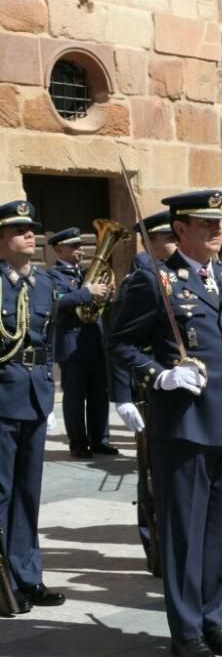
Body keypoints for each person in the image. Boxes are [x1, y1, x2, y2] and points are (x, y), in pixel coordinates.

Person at [109, 190, 222, 657]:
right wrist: (161, 375)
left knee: (221, 533)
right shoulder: (155, 281)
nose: (216, 231)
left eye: (218, 223)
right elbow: (119, 343)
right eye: (204, 224)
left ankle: (217, 621)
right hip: (186, 424)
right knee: (185, 532)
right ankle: (188, 631)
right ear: (179, 230)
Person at [0, 200, 66, 614]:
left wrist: (50, 389)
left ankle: (27, 574)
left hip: (36, 396)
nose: (30, 234)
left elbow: (50, 340)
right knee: (1, 491)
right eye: (19, 229)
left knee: (27, 492)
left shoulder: (43, 285)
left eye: (32, 229)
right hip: (2, 399)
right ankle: (3, 579)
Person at [111, 210, 180, 575]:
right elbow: (121, 341)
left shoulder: (184, 277)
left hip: (176, 389)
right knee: (151, 474)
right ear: (150, 241)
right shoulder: (140, 279)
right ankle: (154, 545)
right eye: (168, 236)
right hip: (146, 389)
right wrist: (121, 396)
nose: (174, 241)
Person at [46, 227, 116, 458]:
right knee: (75, 396)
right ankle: (78, 442)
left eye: (80, 245)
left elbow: (98, 307)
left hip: (95, 341)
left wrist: (107, 294)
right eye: (74, 246)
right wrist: (87, 293)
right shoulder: (51, 277)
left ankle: (100, 440)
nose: (81, 250)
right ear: (59, 249)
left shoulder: (86, 273)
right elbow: (57, 302)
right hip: (71, 345)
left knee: (99, 394)